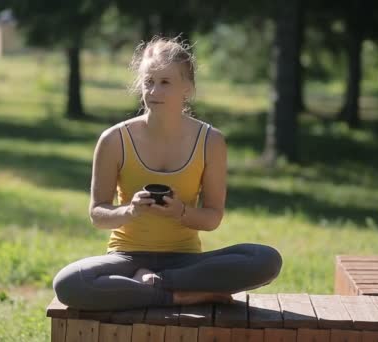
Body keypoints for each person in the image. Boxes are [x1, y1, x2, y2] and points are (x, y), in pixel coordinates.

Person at [53, 36, 282, 311]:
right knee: (68, 283)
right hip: (127, 259)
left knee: (265, 259)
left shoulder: (211, 141)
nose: (153, 91)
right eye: (149, 81)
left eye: (165, 82)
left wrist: (180, 212)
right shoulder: (114, 139)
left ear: (187, 88)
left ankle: (159, 282)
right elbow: (97, 214)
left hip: (185, 262)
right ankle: (176, 296)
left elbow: (212, 218)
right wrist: (130, 211)